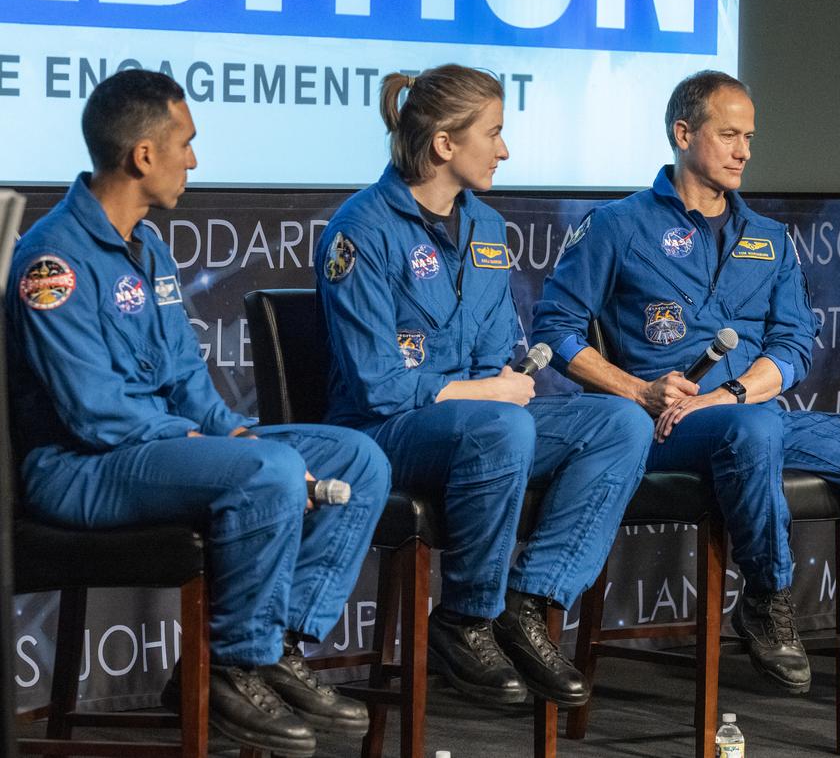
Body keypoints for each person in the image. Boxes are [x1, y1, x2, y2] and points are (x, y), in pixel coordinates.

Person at [531, 70, 840, 758]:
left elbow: (794, 344)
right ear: (683, 134)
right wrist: (638, 390)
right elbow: (557, 333)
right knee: (752, 428)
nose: (743, 150)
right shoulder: (617, 225)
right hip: (662, 431)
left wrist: (732, 392)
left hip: (752, 414)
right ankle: (767, 594)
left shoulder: (768, 237)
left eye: (750, 137)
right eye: (729, 134)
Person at [6, 69, 391, 757]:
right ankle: (231, 666)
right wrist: (211, 444)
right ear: (143, 156)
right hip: (80, 469)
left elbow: (185, 371)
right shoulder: (51, 259)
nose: (194, 160)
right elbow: (96, 413)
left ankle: (274, 649)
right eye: (185, 143)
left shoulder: (148, 245)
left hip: (154, 449)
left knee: (356, 458)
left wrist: (227, 431)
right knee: (267, 469)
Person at [315, 64, 651, 709]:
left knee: (621, 422)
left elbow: (501, 356)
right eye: (494, 133)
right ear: (445, 144)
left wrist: (502, 386)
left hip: (485, 426)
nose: (504, 149)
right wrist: (489, 394)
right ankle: (464, 618)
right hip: (384, 435)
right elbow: (381, 387)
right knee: (502, 425)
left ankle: (527, 607)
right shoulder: (360, 229)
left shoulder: (488, 228)